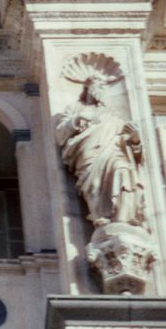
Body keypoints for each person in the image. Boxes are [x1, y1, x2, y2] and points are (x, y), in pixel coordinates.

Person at [55, 73, 148, 229]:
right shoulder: (75, 108)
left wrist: (135, 139)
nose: (101, 89)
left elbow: (136, 154)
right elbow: (60, 134)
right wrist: (76, 120)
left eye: (103, 86)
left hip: (115, 152)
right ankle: (100, 217)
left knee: (123, 171)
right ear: (88, 88)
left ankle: (123, 218)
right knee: (94, 185)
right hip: (86, 154)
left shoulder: (113, 114)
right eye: (97, 85)